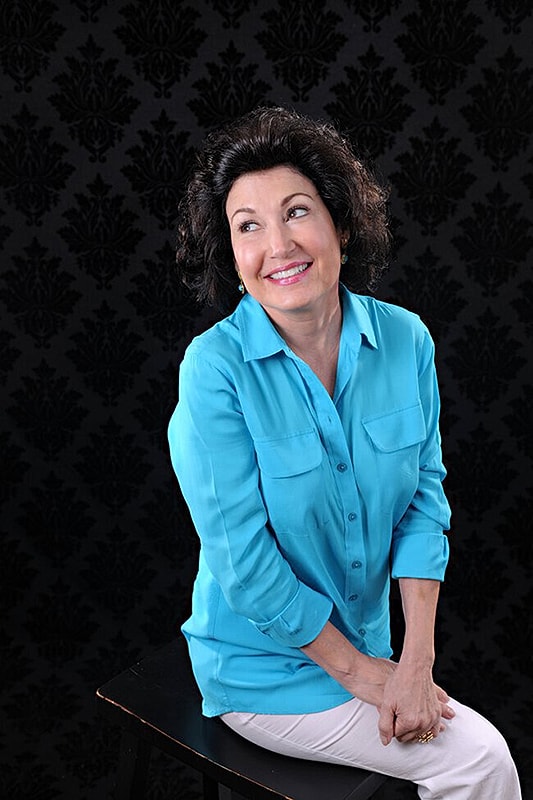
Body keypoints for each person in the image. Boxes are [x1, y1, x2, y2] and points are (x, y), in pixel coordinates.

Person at [167, 106, 521, 799]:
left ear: (343, 223)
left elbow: (423, 499)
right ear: (233, 260)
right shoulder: (213, 369)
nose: (277, 245)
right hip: (262, 670)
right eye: (248, 226)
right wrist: (363, 674)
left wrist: (415, 656)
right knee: (478, 759)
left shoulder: (405, 340)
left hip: (373, 647)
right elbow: (242, 563)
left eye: (296, 212)